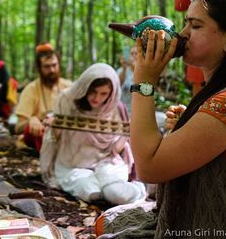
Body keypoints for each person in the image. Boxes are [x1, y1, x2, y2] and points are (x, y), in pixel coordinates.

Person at [128, 0, 226, 235]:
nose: (183, 34)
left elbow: (148, 168)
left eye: (196, 26)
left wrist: (144, 81)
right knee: (109, 220)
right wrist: (188, 126)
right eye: (186, 23)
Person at [40, 63, 146, 204]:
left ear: (111, 93)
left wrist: (128, 132)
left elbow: (116, 149)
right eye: (93, 92)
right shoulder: (67, 100)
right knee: (92, 193)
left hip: (107, 163)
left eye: (103, 94)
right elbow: (55, 139)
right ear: (84, 87)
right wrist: (54, 127)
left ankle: (139, 189)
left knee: (115, 193)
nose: (97, 98)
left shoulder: (115, 108)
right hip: (73, 165)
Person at [14, 43, 71, 151]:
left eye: (54, 65)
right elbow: (18, 127)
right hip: (43, 134)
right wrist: (32, 120)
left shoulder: (69, 87)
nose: (52, 70)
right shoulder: (31, 89)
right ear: (39, 68)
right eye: (47, 67)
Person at [116, 46, 137, 114]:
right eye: (132, 53)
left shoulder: (144, 72)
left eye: (136, 53)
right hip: (122, 111)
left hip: (137, 111)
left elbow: (139, 92)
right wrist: (124, 68)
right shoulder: (121, 71)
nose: (134, 56)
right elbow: (117, 85)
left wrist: (135, 68)